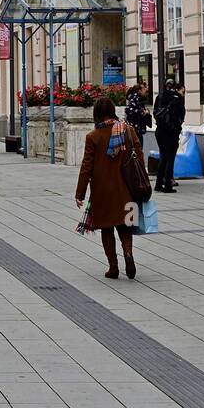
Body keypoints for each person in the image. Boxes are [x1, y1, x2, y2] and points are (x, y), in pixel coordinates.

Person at [75, 98, 143, 280]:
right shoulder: (128, 130)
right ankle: (128, 253)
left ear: (96, 113)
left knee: (107, 229)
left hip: (102, 191)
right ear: (113, 111)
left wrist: (80, 193)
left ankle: (113, 267)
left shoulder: (93, 136)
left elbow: (86, 167)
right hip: (129, 189)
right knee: (125, 226)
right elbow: (140, 158)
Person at [153, 79, 185, 194]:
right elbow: (181, 115)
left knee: (163, 157)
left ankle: (158, 184)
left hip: (160, 131)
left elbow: (155, 113)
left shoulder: (160, 97)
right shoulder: (178, 98)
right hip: (172, 132)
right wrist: (176, 126)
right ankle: (167, 185)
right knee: (170, 159)